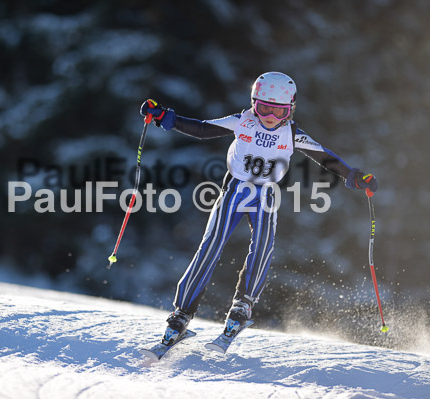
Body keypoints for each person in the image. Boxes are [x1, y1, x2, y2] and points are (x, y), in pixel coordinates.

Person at [140, 72, 378, 345]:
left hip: (265, 194)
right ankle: (182, 312)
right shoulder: (243, 121)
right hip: (235, 190)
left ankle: (244, 303)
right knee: (212, 244)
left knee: (263, 245)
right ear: (254, 103)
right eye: (264, 108)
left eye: (280, 111)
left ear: (291, 110)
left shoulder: (291, 133)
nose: (270, 118)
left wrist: (355, 177)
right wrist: (164, 117)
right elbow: (202, 129)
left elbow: (325, 157)